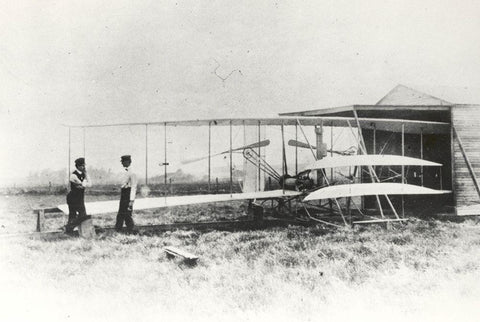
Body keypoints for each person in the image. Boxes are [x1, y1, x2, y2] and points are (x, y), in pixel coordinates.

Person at [65, 157, 92, 233]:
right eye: (82, 166)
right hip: (73, 198)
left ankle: (69, 228)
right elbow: (83, 184)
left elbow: (90, 184)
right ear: (78, 166)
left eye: (84, 165)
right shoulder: (73, 176)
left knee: (82, 215)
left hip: (80, 198)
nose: (84, 167)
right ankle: (69, 230)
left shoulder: (84, 174)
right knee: (73, 215)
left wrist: (86, 175)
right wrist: (83, 183)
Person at [115, 155, 137, 233]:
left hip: (128, 193)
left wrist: (131, 200)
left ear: (127, 161)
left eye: (123, 162)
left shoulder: (132, 172)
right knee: (122, 212)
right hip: (124, 193)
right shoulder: (126, 171)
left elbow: (134, 186)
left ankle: (129, 229)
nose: (122, 163)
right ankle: (119, 230)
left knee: (126, 213)